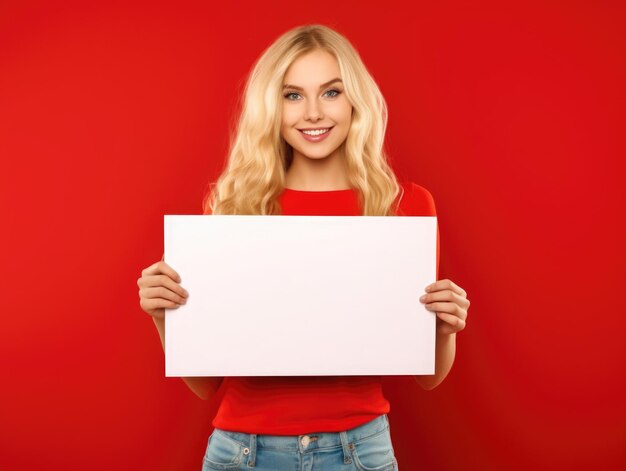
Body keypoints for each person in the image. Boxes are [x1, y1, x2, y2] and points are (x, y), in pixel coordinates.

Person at [137, 24, 470, 471]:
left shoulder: (405, 206)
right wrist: (166, 317)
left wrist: (445, 326)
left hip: (360, 451)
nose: (313, 112)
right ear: (271, 109)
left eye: (331, 92)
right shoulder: (235, 206)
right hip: (243, 452)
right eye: (292, 95)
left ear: (356, 101)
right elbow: (205, 383)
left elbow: (428, 377)